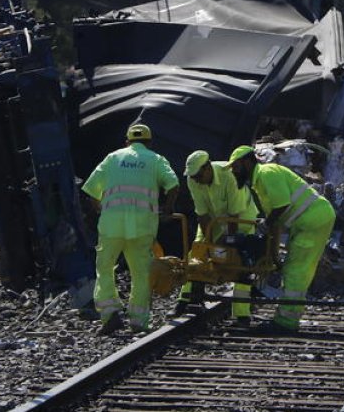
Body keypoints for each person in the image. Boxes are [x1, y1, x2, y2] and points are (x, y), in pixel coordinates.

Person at [82, 123, 178, 334]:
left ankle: (110, 315)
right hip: (143, 226)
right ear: (149, 143)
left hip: (111, 225)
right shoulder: (155, 159)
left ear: (127, 142)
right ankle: (138, 321)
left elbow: (90, 191)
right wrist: (168, 208)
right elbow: (173, 184)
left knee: (104, 268)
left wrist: (101, 210)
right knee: (141, 273)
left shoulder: (113, 158)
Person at [228, 145, 336, 332]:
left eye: (235, 167)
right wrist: (274, 255)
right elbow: (276, 222)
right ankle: (285, 318)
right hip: (309, 221)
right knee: (295, 269)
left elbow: (281, 206)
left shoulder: (267, 173)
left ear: (247, 162)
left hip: (312, 220)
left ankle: (286, 322)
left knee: (296, 271)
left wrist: (266, 223)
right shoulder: (259, 182)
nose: (234, 172)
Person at [175, 149, 259, 325]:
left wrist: (227, 246)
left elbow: (234, 215)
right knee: (197, 252)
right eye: (193, 177)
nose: (196, 180)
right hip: (214, 220)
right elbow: (202, 214)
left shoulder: (230, 176)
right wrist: (209, 245)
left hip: (241, 219)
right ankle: (185, 301)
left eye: (198, 176)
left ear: (207, 168)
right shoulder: (193, 180)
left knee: (240, 262)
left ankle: (242, 314)